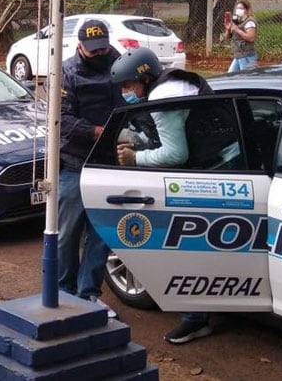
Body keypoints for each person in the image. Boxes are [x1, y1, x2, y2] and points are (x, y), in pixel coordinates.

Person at [110, 47, 214, 344]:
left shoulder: (161, 97)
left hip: (206, 173)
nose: (125, 92)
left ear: (144, 78)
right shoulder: (174, 84)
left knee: (183, 247)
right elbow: (172, 133)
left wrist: (134, 159)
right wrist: (139, 139)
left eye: (128, 86)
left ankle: (195, 319)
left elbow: (176, 153)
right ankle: (200, 314)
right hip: (220, 163)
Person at [58, 19, 124, 319]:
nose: (99, 54)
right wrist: (97, 131)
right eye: (93, 50)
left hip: (110, 164)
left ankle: (89, 294)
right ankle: (63, 293)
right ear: (79, 46)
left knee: (101, 233)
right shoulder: (67, 72)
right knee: (66, 233)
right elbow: (62, 120)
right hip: (74, 163)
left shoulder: (119, 64)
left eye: (103, 48)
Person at [225, 0, 257, 72]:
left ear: (246, 10)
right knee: (230, 77)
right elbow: (227, 37)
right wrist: (228, 29)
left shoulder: (250, 22)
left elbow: (251, 38)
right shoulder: (236, 21)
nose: (238, 10)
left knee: (247, 79)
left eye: (241, 8)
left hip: (247, 56)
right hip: (238, 55)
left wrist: (237, 30)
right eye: (237, 8)